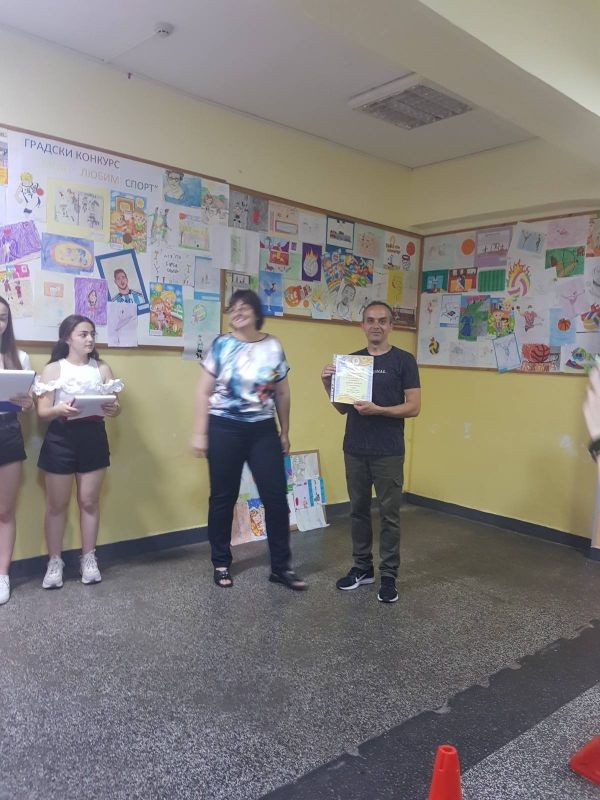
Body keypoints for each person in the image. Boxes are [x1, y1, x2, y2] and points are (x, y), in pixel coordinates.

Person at [191, 289, 306, 591]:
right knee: (223, 497)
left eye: (244, 307)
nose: (237, 312)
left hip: (262, 429)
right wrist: (200, 433)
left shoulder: (273, 345)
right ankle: (220, 563)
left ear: (256, 312)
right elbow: (203, 391)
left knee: (276, 497)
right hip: (223, 427)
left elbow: (282, 392)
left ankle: (281, 567)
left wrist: (285, 431)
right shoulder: (221, 345)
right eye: (233, 308)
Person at [321, 301, 421, 603]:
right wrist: (327, 383)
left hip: (388, 450)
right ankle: (362, 568)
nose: (376, 325)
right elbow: (342, 408)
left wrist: (380, 410)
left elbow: (413, 407)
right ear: (362, 325)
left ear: (391, 325)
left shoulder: (404, 361)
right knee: (358, 511)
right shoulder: (352, 362)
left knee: (389, 514)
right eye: (370, 320)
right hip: (355, 447)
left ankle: (388, 575)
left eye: (382, 320)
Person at [34, 315, 123, 589]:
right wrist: (58, 409)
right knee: (56, 505)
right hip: (60, 438)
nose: (90, 339)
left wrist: (114, 408)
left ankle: (89, 558)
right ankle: (54, 561)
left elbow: (115, 406)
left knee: (89, 502)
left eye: (92, 334)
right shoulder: (53, 369)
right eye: (83, 334)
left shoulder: (102, 368)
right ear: (67, 338)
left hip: (93, 437)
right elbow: (42, 412)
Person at [0, 298, 34, 605]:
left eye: (2, 318)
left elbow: (27, 404)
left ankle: (2, 574)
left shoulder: (18, 357)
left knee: (5, 510)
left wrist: (27, 403)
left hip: (7, 431)